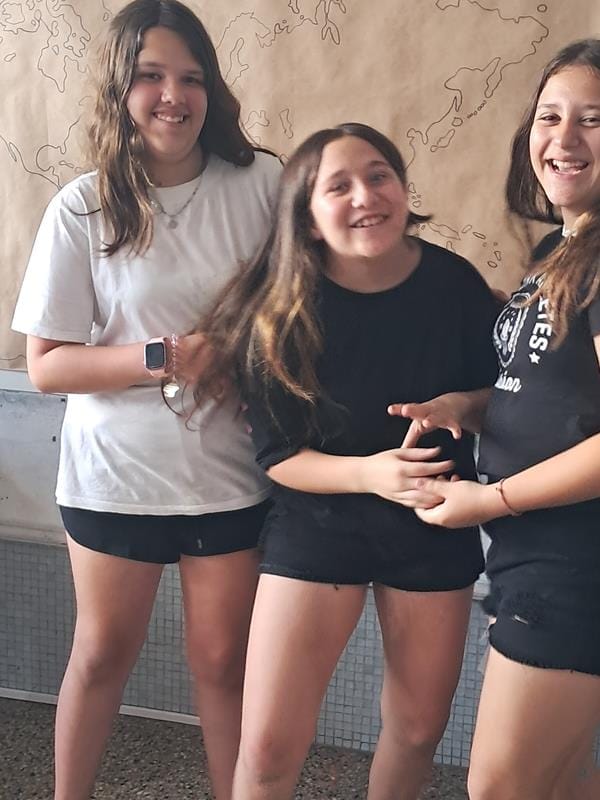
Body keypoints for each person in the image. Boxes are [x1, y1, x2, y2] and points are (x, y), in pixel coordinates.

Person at [11, 1, 281, 798]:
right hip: (114, 477)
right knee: (101, 657)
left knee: (224, 664)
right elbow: (48, 366)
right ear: (119, 88)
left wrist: (246, 354)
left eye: (191, 78)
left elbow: (299, 308)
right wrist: (166, 357)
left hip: (230, 475)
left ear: (211, 90)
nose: (173, 96)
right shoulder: (83, 205)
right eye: (152, 76)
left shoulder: (262, 183)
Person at [194, 122, 499, 800]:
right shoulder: (282, 306)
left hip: (432, 519)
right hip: (318, 522)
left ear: (403, 187)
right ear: (307, 217)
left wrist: (462, 404)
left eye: (378, 175)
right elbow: (278, 457)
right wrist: (370, 474)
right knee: (267, 745)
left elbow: (500, 397)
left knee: (417, 730)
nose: (365, 195)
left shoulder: (454, 284)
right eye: (339, 186)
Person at [408, 39, 600, 800]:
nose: (564, 138)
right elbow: (557, 391)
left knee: (500, 788)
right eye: (550, 117)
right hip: (536, 552)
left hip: (574, 559)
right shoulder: (561, 247)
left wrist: (489, 500)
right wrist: (469, 406)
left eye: (592, 119)